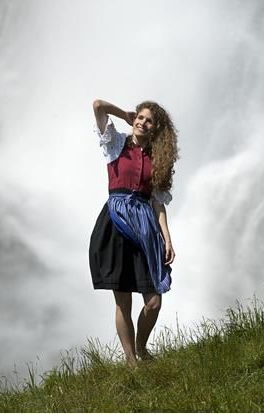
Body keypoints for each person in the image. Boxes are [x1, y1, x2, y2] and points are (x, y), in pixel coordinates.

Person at [89, 99, 179, 367]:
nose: (142, 122)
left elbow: (158, 202)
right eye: (140, 117)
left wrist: (167, 238)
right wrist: (124, 115)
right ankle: (131, 361)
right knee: (123, 299)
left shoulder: (158, 159)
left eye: (148, 120)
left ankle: (141, 346)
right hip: (115, 222)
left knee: (153, 301)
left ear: (155, 128)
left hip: (145, 230)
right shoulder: (116, 143)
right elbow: (98, 106)